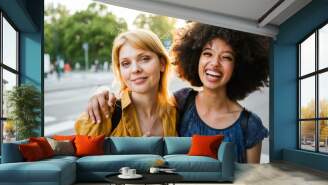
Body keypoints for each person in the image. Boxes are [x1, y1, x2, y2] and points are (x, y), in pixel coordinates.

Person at [84, 23, 269, 163]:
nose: (214, 63)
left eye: (226, 57)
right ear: (195, 57)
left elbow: (252, 183)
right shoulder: (181, 101)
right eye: (207, 53)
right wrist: (102, 91)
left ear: (239, 66)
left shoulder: (250, 125)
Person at [74, 29, 177, 137]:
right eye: (126, 63)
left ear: (162, 64)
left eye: (144, 59)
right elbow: (79, 146)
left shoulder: (174, 112)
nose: (135, 69)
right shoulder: (106, 113)